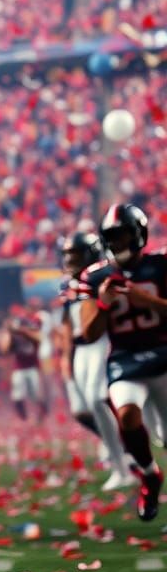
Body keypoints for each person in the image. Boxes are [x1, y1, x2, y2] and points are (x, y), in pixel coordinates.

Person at [80, 203, 167, 521]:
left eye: (123, 235)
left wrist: (148, 301)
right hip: (125, 360)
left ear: (138, 234)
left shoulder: (160, 264)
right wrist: (103, 304)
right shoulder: (96, 276)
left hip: (163, 355)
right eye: (112, 236)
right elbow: (89, 333)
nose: (117, 242)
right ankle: (149, 473)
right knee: (127, 416)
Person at [59, 231, 131, 490]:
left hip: (101, 341)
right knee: (89, 405)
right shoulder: (68, 285)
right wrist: (66, 356)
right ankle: (119, 459)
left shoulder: (101, 275)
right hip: (82, 349)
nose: (70, 260)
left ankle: (124, 458)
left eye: (75, 254)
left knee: (98, 399)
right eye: (68, 254)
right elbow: (67, 322)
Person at [0, 307, 48, 421]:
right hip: (19, 367)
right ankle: (23, 417)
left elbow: (39, 338)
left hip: (33, 367)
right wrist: (9, 332)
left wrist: (22, 331)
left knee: (36, 394)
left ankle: (42, 414)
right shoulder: (14, 335)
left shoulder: (31, 331)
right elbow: (4, 350)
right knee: (17, 394)